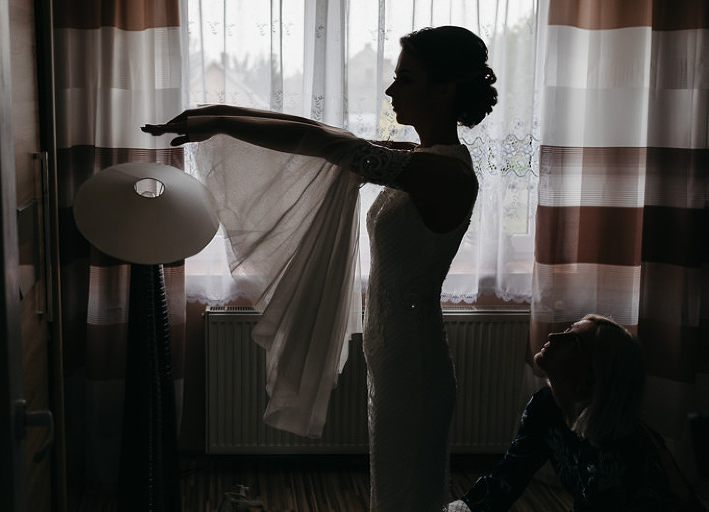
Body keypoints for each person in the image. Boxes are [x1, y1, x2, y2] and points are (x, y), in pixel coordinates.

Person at [144, 25, 497, 512]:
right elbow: (324, 136)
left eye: (405, 79)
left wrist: (220, 122)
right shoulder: (422, 158)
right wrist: (216, 112)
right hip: (392, 351)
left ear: (443, 90)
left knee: (409, 490)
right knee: (396, 485)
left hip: (414, 362)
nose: (391, 90)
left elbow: (322, 142)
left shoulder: (445, 172)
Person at [448, 314, 706, 512]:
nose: (553, 336)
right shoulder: (545, 406)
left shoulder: (616, 454)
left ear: (589, 382)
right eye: (567, 330)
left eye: (573, 342)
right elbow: (507, 478)